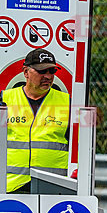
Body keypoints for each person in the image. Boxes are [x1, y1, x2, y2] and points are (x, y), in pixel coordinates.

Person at [0, 49, 70, 193]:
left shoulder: (67, 102)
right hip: (10, 186)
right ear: (26, 72)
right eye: (41, 71)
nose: (48, 76)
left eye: (52, 71)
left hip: (53, 186)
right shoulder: (4, 100)